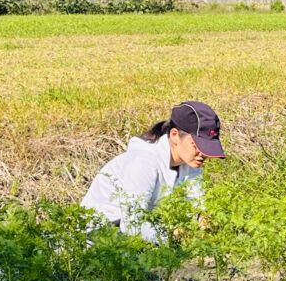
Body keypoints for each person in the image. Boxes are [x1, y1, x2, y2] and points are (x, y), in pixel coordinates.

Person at [81, 101, 225, 242]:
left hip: (145, 233)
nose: (202, 154)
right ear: (174, 135)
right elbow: (132, 224)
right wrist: (172, 235)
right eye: (197, 145)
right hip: (102, 234)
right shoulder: (144, 162)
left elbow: (195, 206)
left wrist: (202, 220)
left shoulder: (190, 164)